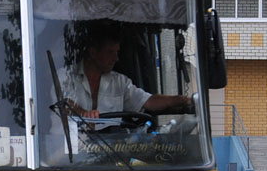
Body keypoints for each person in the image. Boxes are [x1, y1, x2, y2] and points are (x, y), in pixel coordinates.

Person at [59, 29, 193, 118]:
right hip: (68, 151)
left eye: (117, 53)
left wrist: (179, 100)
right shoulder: (64, 76)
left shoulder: (120, 82)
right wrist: (83, 114)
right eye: (110, 52)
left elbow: (149, 101)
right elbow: (62, 103)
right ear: (93, 52)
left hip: (112, 152)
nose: (116, 58)